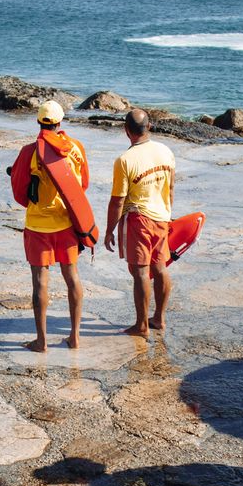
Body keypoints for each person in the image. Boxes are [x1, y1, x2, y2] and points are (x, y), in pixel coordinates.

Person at [8, 100, 89, 352]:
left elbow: (19, 193)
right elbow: (81, 186)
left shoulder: (28, 151)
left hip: (38, 226)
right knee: (72, 277)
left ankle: (41, 341)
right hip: (66, 224)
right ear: (60, 122)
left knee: (40, 283)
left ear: (39, 122)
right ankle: (74, 337)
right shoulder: (76, 148)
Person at [104, 109, 175, 337]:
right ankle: (159, 319)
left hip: (139, 219)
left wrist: (109, 231)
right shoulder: (166, 151)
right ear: (150, 126)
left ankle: (141, 325)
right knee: (160, 268)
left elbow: (117, 201)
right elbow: (170, 188)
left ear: (126, 131)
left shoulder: (124, 160)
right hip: (162, 216)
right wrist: (168, 213)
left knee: (141, 273)